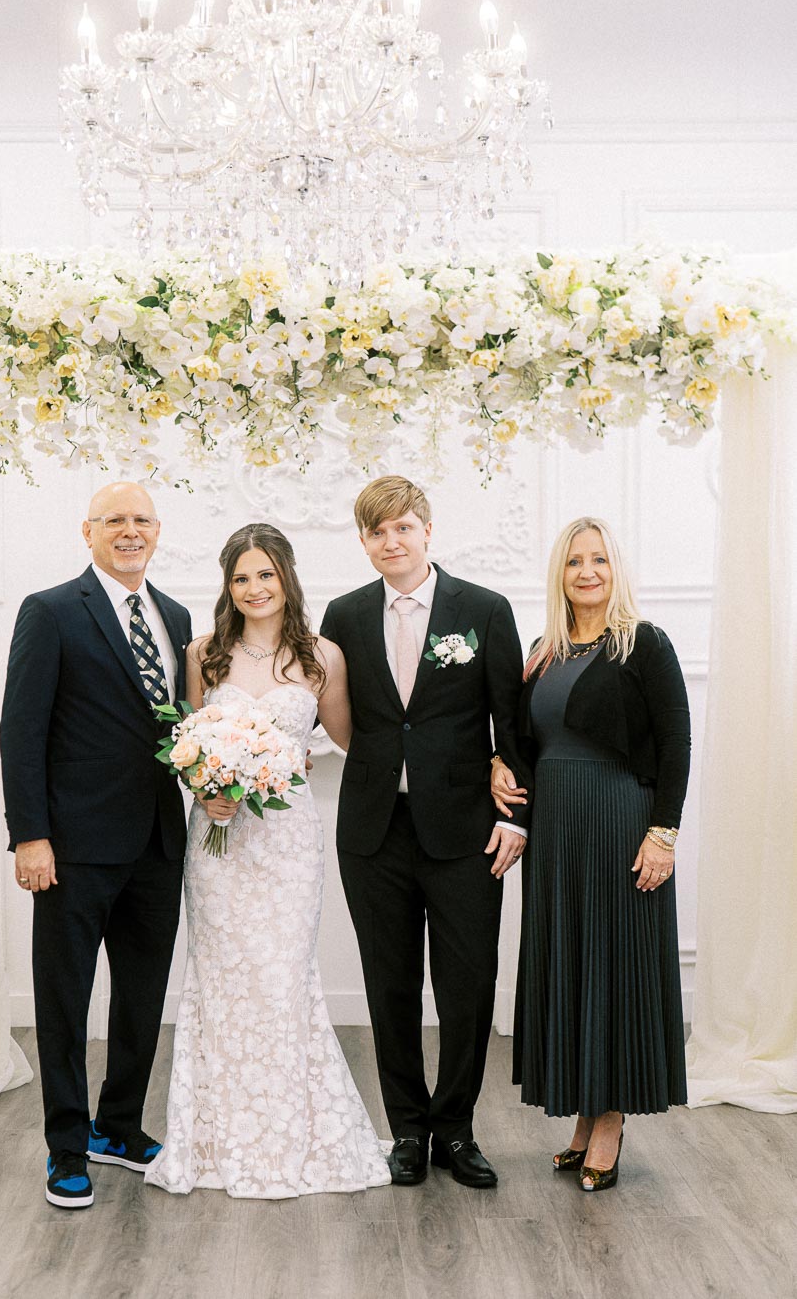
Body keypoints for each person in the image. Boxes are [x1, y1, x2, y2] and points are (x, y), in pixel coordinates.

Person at [145, 523, 390, 1199]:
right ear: (229, 586)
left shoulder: (321, 657)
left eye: (266, 575)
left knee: (282, 979)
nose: (255, 589)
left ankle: (291, 1133)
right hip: (219, 843)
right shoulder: (204, 655)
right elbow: (186, 742)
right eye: (242, 577)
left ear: (286, 578)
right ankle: (216, 1138)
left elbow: (352, 739)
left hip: (286, 844)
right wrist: (207, 786)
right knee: (220, 981)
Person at [319, 475, 532, 1189]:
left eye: (403, 527)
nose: (392, 541)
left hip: (467, 831)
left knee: (468, 985)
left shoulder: (485, 610)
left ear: (427, 530)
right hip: (374, 831)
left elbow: (514, 724)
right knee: (391, 985)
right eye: (377, 531)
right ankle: (407, 1129)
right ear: (364, 541)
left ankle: (457, 1128)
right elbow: (335, 713)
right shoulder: (344, 615)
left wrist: (516, 818)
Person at [0, 482, 192, 1209]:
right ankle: (66, 1146)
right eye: (115, 520)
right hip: (72, 846)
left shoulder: (173, 616)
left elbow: (172, 728)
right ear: (88, 532)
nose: (130, 531)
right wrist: (30, 835)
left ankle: (119, 1127)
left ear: (158, 530)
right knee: (64, 1000)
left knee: (141, 998)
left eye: (142, 519)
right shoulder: (50, 611)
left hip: (157, 843)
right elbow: (20, 731)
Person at [496, 516, 690, 1192]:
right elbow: (520, 735)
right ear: (560, 571)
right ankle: (582, 1114)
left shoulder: (645, 645)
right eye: (575, 560)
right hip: (555, 830)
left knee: (612, 961)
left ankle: (609, 1118)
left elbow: (677, 743)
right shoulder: (543, 650)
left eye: (599, 560)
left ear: (616, 570)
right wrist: (499, 759)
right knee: (570, 962)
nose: (587, 571)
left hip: (618, 821)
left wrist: (662, 834)